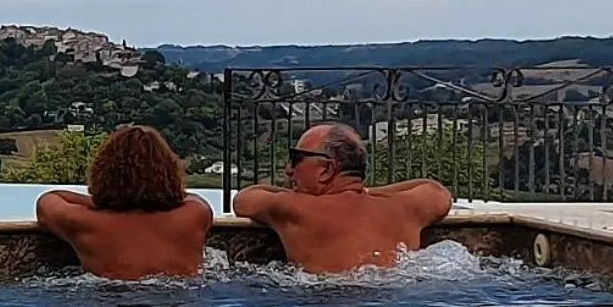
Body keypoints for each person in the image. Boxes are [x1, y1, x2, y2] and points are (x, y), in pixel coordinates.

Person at [232, 122, 453, 274]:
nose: (289, 170)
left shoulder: (295, 208)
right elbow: (435, 190)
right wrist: (362, 192)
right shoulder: (406, 207)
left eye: (296, 159)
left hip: (326, 306)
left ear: (326, 170)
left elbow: (245, 199)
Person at [36, 125, 214, 280]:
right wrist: (159, 192)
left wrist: (103, 201)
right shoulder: (195, 215)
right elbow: (188, 197)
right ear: (169, 170)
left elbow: (48, 200)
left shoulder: (84, 222)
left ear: (103, 172)